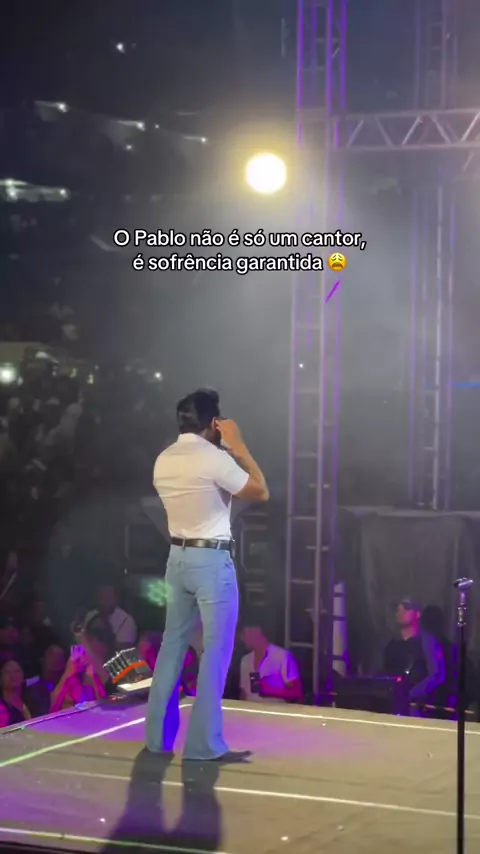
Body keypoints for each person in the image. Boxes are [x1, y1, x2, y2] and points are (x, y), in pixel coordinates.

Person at [146, 388, 269, 761]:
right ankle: (203, 745)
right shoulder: (213, 458)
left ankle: (157, 740)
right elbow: (260, 491)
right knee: (215, 649)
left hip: (177, 558)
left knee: (172, 645)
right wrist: (239, 446)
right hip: (211, 560)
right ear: (214, 423)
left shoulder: (164, 458)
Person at [383, 598, 446, 705]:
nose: (400, 610)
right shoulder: (391, 645)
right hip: (391, 704)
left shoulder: (427, 642)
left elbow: (437, 675)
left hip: (418, 706)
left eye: (406, 607)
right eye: (398, 608)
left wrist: (412, 694)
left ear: (417, 614)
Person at [239, 622, 302, 703]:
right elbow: (243, 693)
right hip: (249, 710)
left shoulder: (282, 656)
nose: (242, 639)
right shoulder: (245, 660)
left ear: (256, 632)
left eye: (244, 634)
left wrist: (271, 690)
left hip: (275, 710)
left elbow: (297, 692)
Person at [0, 659, 32, 727]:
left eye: (17, 671)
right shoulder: (1, 708)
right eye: (7, 672)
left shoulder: (32, 703)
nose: (13, 675)